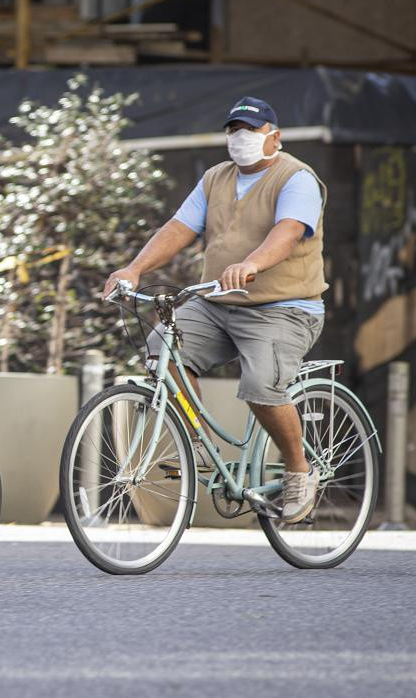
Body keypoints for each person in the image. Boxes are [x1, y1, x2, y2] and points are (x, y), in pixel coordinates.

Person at [102, 96, 326, 524]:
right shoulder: (215, 179)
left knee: (262, 384)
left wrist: (252, 264)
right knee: (161, 353)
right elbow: (178, 228)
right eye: (234, 130)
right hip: (217, 303)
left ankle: (299, 469)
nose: (240, 138)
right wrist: (133, 269)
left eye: (251, 131)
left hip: (283, 308)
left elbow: (289, 231)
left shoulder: (296, 178)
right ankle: (199, 449)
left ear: (274, 137)